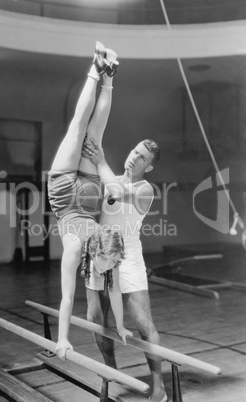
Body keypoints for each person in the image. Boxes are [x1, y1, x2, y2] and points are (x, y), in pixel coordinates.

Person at [47, 41, 132, 360]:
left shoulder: (106, 251)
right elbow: (67, 299)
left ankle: (106, 74)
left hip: (74, 195)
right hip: (76, 196)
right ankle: (101, 72)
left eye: (109, 265)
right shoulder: (81, 249)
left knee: (85, 130)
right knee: (85, 131)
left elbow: (114, 295)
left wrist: (122, 328)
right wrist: (62, 339)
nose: (108, 269)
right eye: (109, 264)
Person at [82, 138, 167, 402]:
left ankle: (159, 386)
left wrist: (100, 160)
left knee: (142, 321)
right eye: (135, 151)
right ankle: (112, 374)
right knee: (96, 318)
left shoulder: (145, 189)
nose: (134, 157)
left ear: (149, 167)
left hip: (128, 254)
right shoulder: (111, 179)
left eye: (142, 157)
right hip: (101, 250)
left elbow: (117, 191)